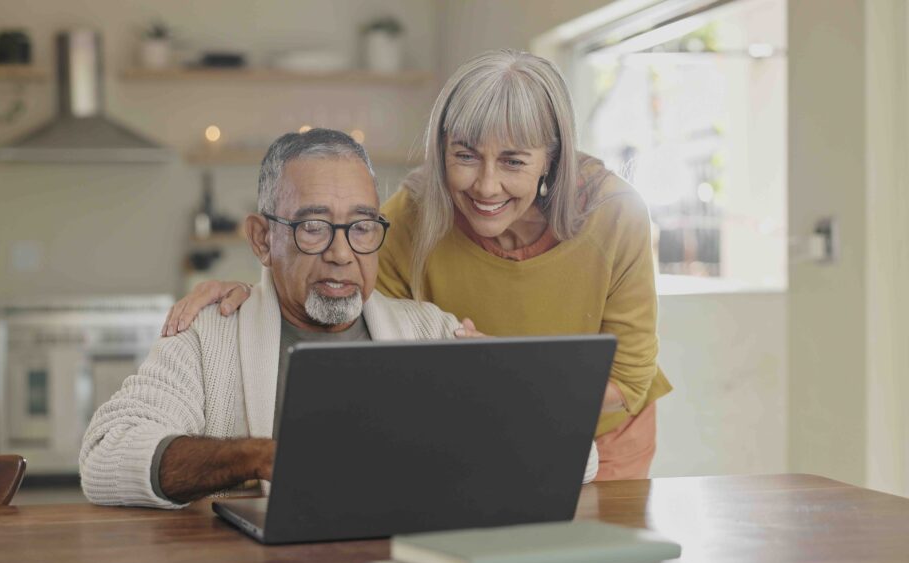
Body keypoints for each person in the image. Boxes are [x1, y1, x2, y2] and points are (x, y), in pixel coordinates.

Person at [162, 50, 672, 482]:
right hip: (486, 428)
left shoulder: (616, 215)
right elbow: (338, 294)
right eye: (465, 156)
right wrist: (261, 286)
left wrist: (514, 375)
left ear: (552, 160)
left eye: (514, 161)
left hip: (604, 433)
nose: (486, 186)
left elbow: (628, 379)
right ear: (441, 147)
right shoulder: (408, 218)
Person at [80, 128, 600, 509]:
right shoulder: (208, 334)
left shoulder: (430, 332)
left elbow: (584, 460)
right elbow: (105, 458)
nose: (341, 253)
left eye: (361, 227)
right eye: (312, 228)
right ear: (263, 239)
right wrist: (259, 457)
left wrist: (506, 393)